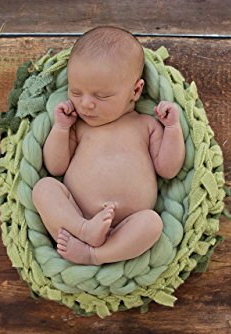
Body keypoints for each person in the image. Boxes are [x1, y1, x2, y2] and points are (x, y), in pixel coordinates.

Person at [32, 26, 185, 265]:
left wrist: (173, 128)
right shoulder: (79, 126)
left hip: (127, 227)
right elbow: (55, 167)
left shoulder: (146, 125)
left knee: (153, 223)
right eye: (75, 92)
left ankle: (94, 255)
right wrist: (61, 128)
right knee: (43, 188)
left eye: (101, 96)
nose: (86, 104)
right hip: (74, 217)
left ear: (135, 90)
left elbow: (168, 169)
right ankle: (84, 230)